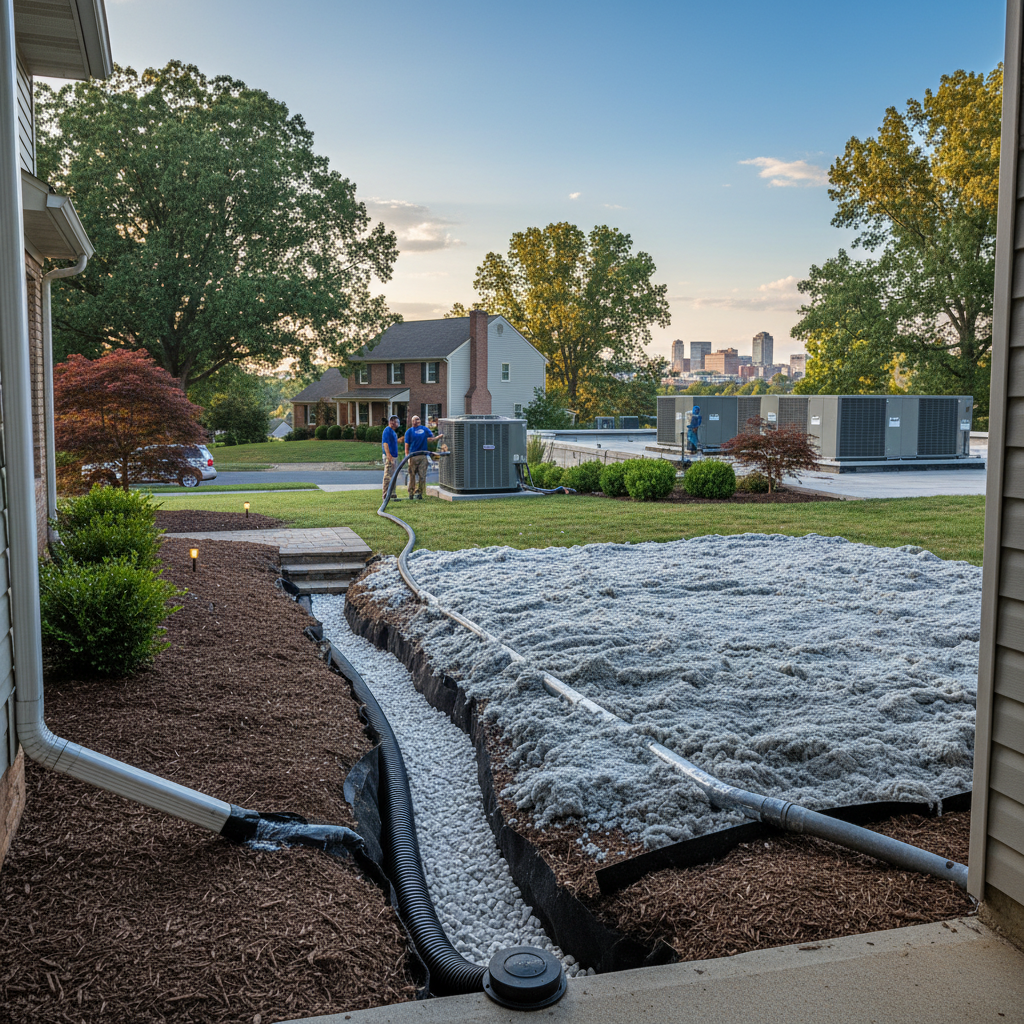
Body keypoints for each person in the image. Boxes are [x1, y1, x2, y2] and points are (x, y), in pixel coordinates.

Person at [404, 414, 442, 500]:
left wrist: (439, 437)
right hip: (413, 456)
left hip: (423, 456)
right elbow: (407, 445)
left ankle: (419, 493)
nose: (416, 421)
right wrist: (407, 457)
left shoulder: (424, 429)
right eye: (414, 420)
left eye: (417, 419)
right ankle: (411, 493)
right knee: (412, 475)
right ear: (412, 422)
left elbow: (431, 438)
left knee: (422, 476)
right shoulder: (409, 431)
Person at [381, 415, 401, 500]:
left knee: (393, 475)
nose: (398, 424)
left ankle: (392, 493)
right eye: (397, 422)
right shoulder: (387, 430)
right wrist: (389, 456)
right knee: (388, 475)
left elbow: (393, 442)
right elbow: (385, 443)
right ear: (392, 422)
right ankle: (385, 494)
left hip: (394, 456)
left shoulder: (392, 432)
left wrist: (401, 439)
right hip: (390, 456)